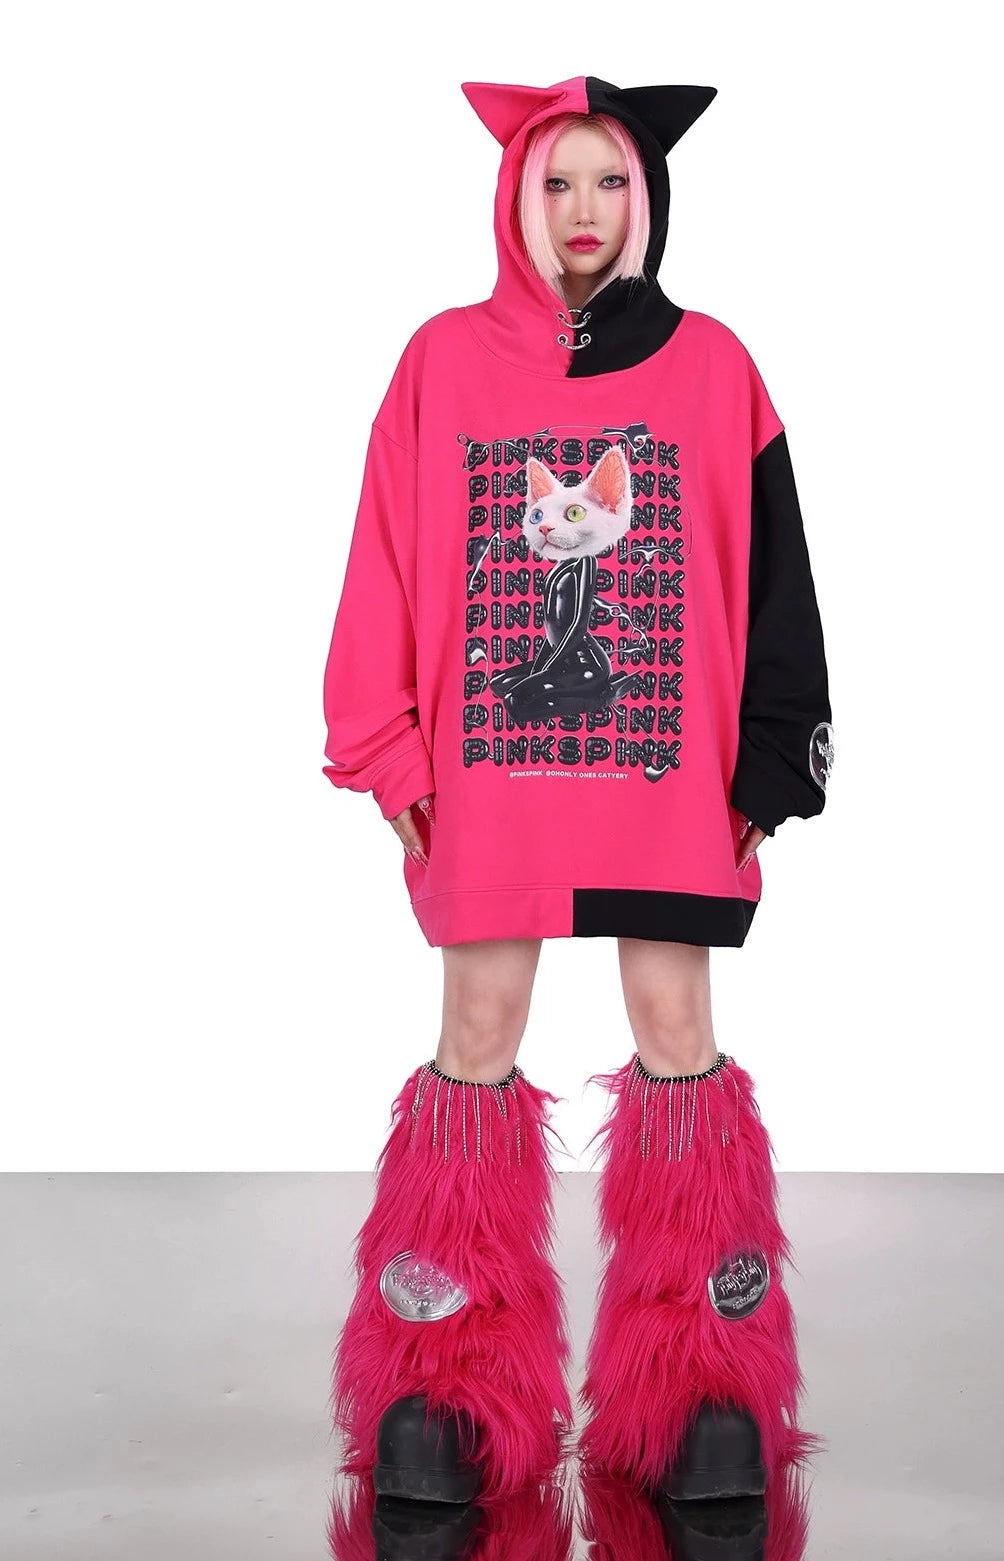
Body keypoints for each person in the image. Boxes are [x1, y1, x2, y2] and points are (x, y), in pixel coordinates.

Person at [320, 75, 834, 1548]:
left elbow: (776, 570)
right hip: (489, 785)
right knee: (477, 1030)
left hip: (669, 782)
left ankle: (700, 1380)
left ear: (649, 201)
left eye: (611, 182)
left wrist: (771, 754)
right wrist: (388, 748)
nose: (584, 212)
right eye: (557, 183)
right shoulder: (441, 362)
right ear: (515, 200)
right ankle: (442, 1381)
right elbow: (382, 558)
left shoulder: (715, 367)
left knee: (676, 1027)